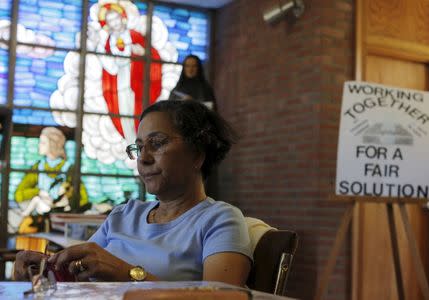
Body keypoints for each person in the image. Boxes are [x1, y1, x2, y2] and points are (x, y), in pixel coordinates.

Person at [14, 101, 252, 286]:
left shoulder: (220, 220)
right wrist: (45, 268)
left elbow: (222, 298)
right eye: (139, 148)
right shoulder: (124, 214)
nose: (144, 158)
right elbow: (78, 275)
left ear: (197, 155)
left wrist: (127, 273)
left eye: (157, 143)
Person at [93, 2, 162, 143]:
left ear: (122, 17)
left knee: (138, 112)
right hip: (119, 84)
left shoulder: (135, 36)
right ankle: (132, 143)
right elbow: (109, 68)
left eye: (116, 18)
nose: (114, 23)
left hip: (137, 82)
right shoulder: (108, 41)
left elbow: (152, 55)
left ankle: (141, 141)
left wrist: (142, 52)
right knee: (124, 113)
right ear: (107, 24)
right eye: (110, 21)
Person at [13, 127, 88, 232]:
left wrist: (68, 195)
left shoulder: (69, 169)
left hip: (61, 218)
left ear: (53, 145)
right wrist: (38, 192)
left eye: (43, 143)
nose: (39, 145)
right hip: (42, 216)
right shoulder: (38, 167)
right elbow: (19, 195)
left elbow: (83, 198)